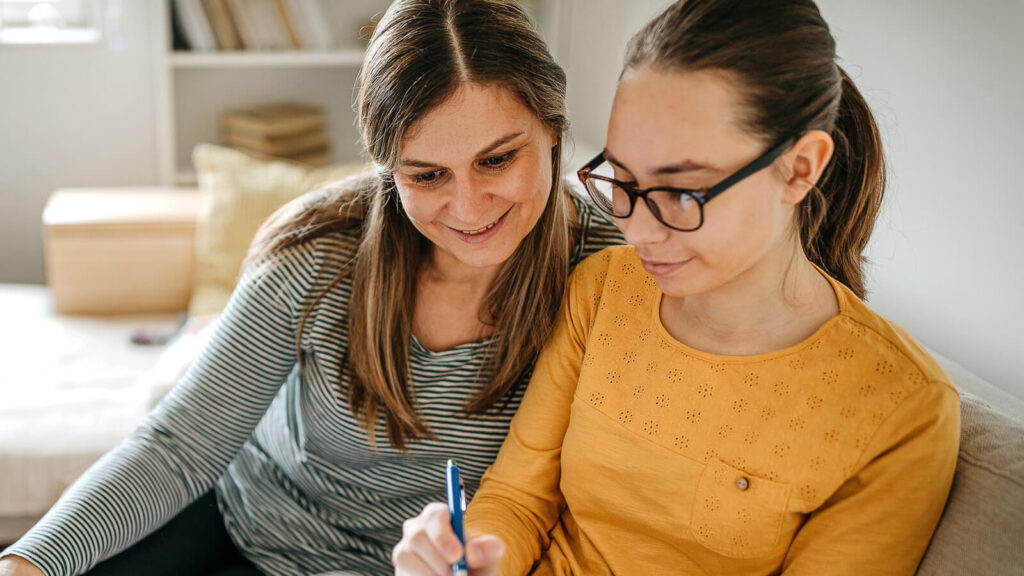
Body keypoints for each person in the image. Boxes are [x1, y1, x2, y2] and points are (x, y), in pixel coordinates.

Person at [0, 1, 622, 575]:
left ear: (552, 129)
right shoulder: (317, 252)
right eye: (427, 174)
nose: (468, 206)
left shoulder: (610, 273)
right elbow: (181, 445)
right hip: (246, 528)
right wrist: (28, 562)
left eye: (496, 160)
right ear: (388, 171)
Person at [392, 0, 961, 574]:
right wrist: (473, 559)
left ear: (800, 167)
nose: (635, 231)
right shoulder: (602, 290)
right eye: (623, 180)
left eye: (683, 192)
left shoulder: (903, 409)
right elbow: (517, 500)